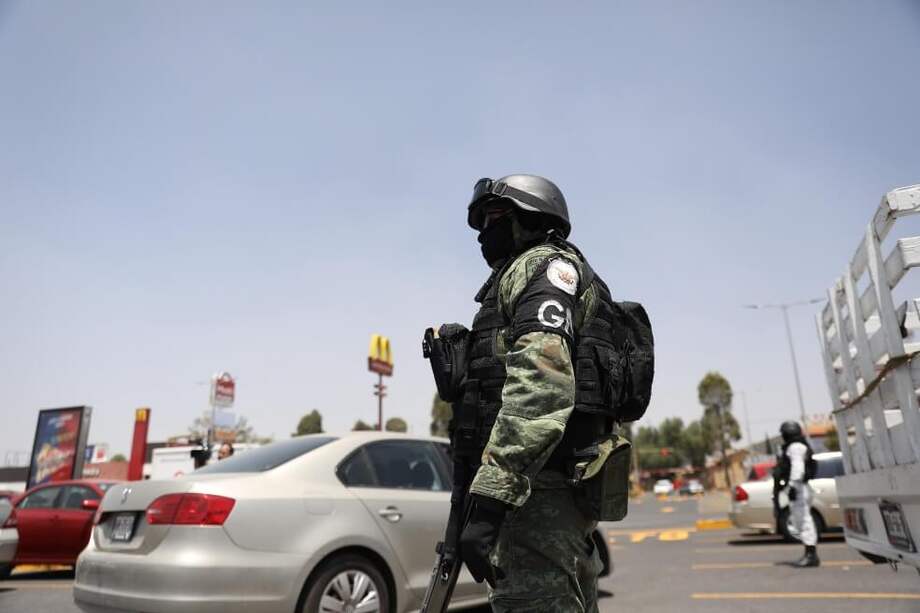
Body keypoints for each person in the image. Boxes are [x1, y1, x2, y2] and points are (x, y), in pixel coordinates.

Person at [455, 174, 607, 612]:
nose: (484, 232)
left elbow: (542, 380)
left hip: (537, 496)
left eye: (493, 218)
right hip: (548, 491)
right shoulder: (538, 272)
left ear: (528, 219)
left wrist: (492, 497)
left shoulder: (541, 268)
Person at [777, 420, 820, 567]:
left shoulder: (795, 447)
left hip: (799, 488)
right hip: (800, 487)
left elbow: (797, 468)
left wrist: (794, 487)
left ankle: (811, 555)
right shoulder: (797, 445)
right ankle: (809, 553)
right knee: (801, 520)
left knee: (804, 520)